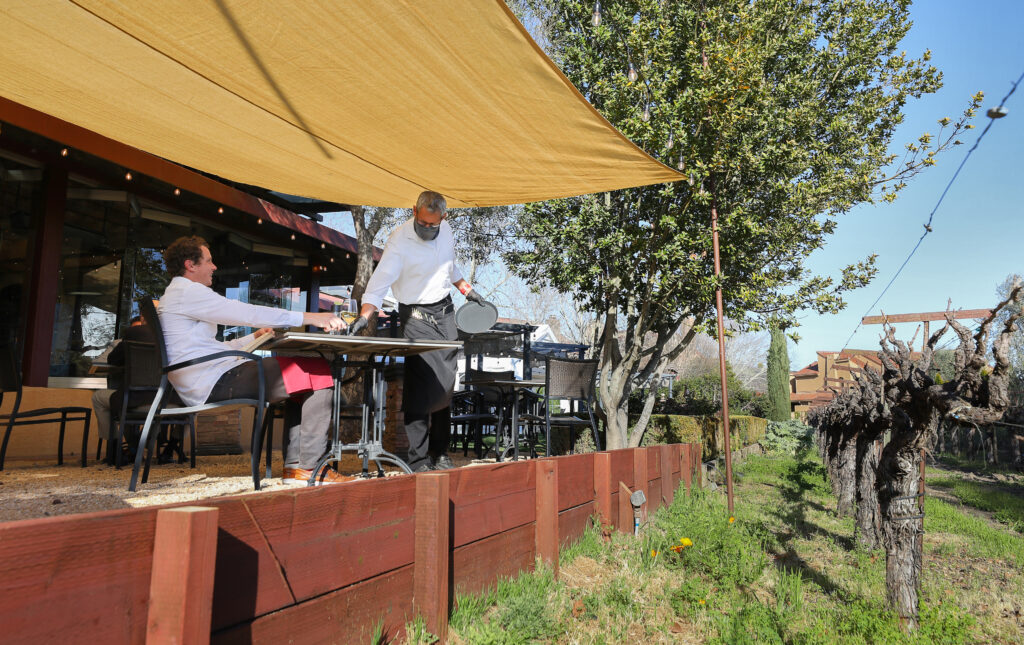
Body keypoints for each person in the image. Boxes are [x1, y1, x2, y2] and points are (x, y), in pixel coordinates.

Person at [158, 235, 351, 484]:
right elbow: (247, 312)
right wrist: (310, 317)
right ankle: (309, 468)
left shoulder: (176, 294)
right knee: (318, 370)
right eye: (209, 261)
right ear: (190, 265)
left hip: (207, 378)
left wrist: (250, 339)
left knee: (304, 379)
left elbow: (210, 347)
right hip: (214, 382)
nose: (214, 267)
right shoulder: (188, 292)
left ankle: (298, 468)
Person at [350, 191, 492, 472]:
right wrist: (365, 315)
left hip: (444, 310)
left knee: (446, 383)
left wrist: (468, 291)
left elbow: (449, 267)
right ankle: (417, 458)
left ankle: (439, 452)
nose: (427, 229)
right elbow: (378, 284)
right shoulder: (399, 242)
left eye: (433, 225)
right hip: (414, 313)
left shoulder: (447, 230)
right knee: (421, 381)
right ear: (414, 211)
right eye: (423, 223)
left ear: (444, 218)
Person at [91, 316, 147, 464]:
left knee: (109, 400)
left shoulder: (126, 344)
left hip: (131, 396)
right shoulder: (163, 345)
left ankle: (125, 448)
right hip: (140, 395)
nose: (137, 332)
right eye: (134, 329)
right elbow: (98, 363)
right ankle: (128, 449)